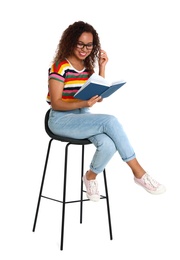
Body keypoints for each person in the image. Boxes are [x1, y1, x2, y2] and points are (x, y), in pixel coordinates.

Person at [46, 21, 166, 201]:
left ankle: (90, 177)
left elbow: (96, 93)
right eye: (80, 43)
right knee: (110, 121)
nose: (84, 49)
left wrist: (102, 68)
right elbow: (56, 103)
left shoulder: (87, 68)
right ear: (71, 42)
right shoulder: (60, 66)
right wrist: (83, 103)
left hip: (82, 118)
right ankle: (139, 173)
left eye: (89, 45)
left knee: (109, 145)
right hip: (60, 120)